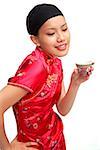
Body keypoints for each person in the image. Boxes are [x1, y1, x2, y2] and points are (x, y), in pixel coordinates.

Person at [0, 3, 94, 150]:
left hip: (55, 139)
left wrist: (75, 83)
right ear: (35, 40)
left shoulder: (55, 62)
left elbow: (62, 109)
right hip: (35, 145)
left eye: (64, 29)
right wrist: (6, 148)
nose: (61, 37)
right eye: (51, 33)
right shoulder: (36, 67)